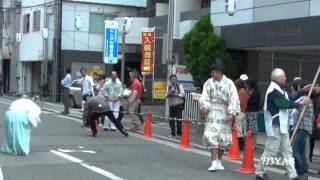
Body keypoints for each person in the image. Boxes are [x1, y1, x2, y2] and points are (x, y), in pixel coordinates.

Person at [255, 68, 310, 180]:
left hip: (281, 124)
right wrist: (300, 103)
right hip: (276, 124)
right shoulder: (273, 90)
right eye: (284, 76)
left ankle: (293, 175)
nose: (285, 78)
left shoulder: (278, 89)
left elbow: (289, 97)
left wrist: (302, 91)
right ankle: (260, 172)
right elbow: (283, 104)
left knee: (287, 151)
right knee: (271, 151)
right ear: (278, 78)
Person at [199, 58, 241, 171]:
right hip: (212, 111)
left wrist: (231, 113)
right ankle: (213, 162)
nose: (211, 74)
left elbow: (234, 98)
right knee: (211, 135)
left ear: (219, 72)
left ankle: (219, 161)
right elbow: (204, 96)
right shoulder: (208, 83)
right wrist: (205, 107)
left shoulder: (229, 83)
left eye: (213, 72)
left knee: (223, 138)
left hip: (224, 112)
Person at [291, 82, 314, 180]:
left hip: (302, 128)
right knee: (300, 152)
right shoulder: (308, 100)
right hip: (304, 128)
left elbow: (294, 110)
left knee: (294, 151)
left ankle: (301, 171)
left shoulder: (305, 99)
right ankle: (304, 172)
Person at [166, 74, 185, 138]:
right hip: (171, 105)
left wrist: (177, 95)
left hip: (178, 105)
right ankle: (173, 133)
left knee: (179, 120)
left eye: (174, 79)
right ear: (170, 80)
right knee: (171, 120)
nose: (173, 80)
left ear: (176, 80)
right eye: (172, 79)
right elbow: (166, 95)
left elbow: (183, 94)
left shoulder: (179, 85)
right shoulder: (169, 86)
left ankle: (179, 133)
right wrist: (169, 94)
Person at [234, 78, 248, 151]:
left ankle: (240, 145)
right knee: (242, 129)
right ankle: (243, 144)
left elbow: (239, 103)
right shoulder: (244, 92)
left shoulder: (241, 93)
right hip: (243, 112)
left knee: (239, 129)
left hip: (239, 112)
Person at [246, 78, 260, 149]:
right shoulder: (248, 91)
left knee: (253, 127)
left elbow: (256, 102)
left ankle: (254, 144)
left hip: (253, 111)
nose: (246, 86)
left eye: (247, 84)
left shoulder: (256, 92)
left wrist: (248, 99)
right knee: (248, 127)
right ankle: (249, 142)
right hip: (248, 110)